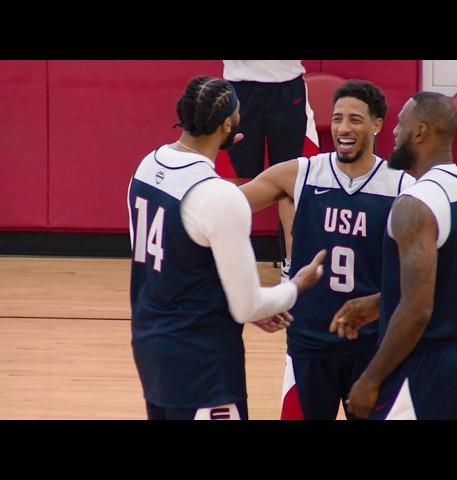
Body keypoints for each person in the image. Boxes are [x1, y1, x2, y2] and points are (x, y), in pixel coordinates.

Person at [127, 75, 326, 420]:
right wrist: (296, 286)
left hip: (150, 347)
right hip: (203, 364)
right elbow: (247, 307)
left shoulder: (148, 166)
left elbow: (183, 263)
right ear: (228, 127)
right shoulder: (218, 196)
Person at [240, 80, 414, 419]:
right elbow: (224, 210)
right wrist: (252, 295)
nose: (343, 128)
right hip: (308, 344)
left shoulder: (402, 187)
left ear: (377, 125)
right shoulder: (302, 173)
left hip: (372, 347)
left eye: (355, 119)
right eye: (337, 119)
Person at [330, 92, 457, 420]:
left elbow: (418, 310)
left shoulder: (415, 203)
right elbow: (450, 279)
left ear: (420, 132)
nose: (393, 133)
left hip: (426, 365)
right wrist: (381, 302)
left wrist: (370, 377)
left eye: (401, 125)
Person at [223, 60, 320, 281]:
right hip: (240, 87)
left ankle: (293, 264)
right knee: (235, 182)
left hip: (287, 85)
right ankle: (230, 263)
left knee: (292, 179)